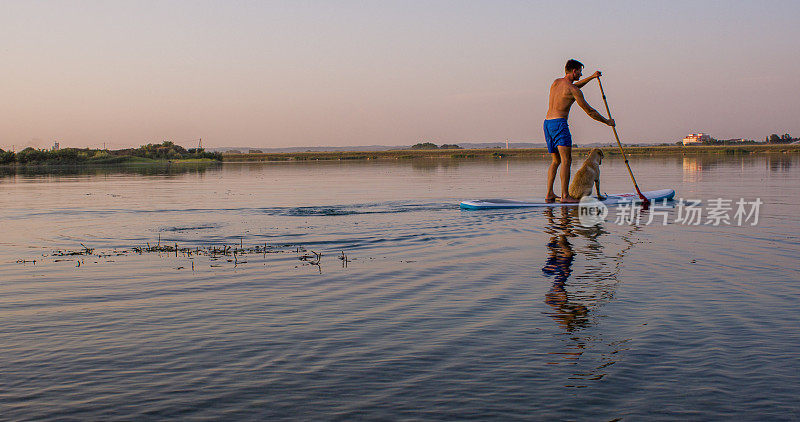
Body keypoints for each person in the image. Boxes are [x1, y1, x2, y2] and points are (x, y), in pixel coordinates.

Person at [544, 59, 615, 203]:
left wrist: (592, 77)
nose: (581, 75)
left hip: (547, 124)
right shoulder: (573, 90)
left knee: (555, 161)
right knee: (566, 160)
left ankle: (549, 194)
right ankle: (565, 196)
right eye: (580, 72)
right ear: (574, 71)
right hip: (559, 124)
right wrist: (607, 121)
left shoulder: (556, 82)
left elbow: (575, 85)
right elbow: (590, 111)